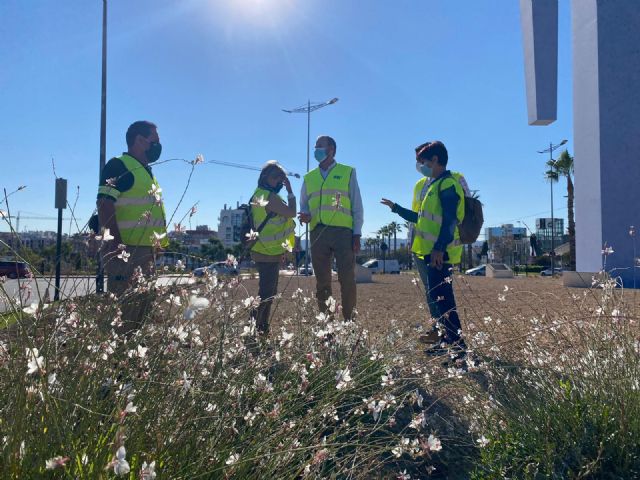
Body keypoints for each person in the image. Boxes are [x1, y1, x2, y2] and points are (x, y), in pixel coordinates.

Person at [381, 141, 466, 358]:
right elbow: (420, 219)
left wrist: (439, 249)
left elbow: (449, 221)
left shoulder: (447, 184)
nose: (420, 165)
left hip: (440, 253)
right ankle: (450, 345)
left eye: (422, 161)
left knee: (444, 302)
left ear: (435, 160)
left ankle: (458, 349)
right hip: (430, 252)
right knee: (439, 300)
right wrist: (396, 208)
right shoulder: (434, 185)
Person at [97, 120, 168, 331]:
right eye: (155, 141)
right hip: (126, 251)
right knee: (125, 312)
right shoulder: (119, 165)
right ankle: (119, 358)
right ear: (139, 140)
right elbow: (104, 203)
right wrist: (117, 245)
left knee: (142, 310)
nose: (158, 146)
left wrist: (157, 245)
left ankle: (133, 358)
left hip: (145, 252)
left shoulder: (145, 170)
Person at [299, 135, 364, 320]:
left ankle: (349, 323)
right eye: (315, 146)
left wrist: (357, 233)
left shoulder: (348, 172)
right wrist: (304, 214)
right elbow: (304, 203)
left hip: (343, 232)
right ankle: (326, 326)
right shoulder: (309, 177)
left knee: (347, 280)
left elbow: (356, 204)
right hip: (318, 232)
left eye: (320, 146)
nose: (316, 150)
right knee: (322, 282)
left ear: (332, 150)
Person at [249, 161, 296, 335]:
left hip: (266, 249)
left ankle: (260, 327)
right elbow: (291, 212)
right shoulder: (269, 196)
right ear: (265, 177)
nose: (278, 181)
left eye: (281, 178)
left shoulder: (259, 194)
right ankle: (255, 327)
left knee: (268, 292)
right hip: (267, 251)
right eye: (275, 177)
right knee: (267, 293)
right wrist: (290, 191)